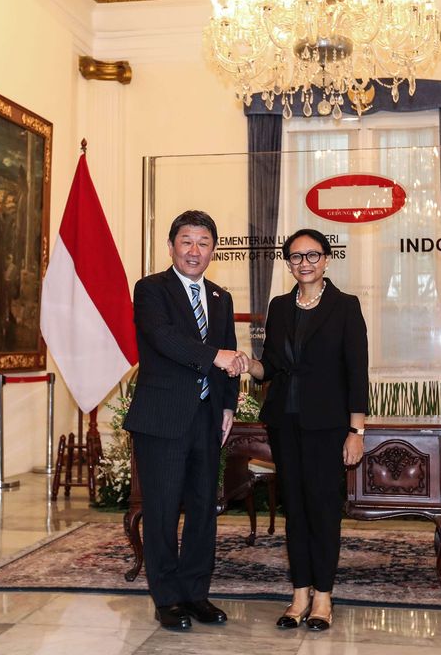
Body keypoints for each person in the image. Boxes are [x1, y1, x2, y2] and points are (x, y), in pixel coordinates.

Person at [123, 209, 245, 631]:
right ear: (172, 245)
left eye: (204, 243)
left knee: (202, 510)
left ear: (214, 250)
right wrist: (215, 356)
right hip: (161, 420)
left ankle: (196, 593)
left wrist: (228, 405)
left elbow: (230, 354)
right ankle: (167, 598)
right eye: (187, 242)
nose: (195, 251)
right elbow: (164, 338)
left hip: (208, 420)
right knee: (160, 512)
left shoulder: (220, 298)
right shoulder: (151, 290)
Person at [246, 228, 368, 632]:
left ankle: (323, 597)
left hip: (328, 426)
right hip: (286, 423)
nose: (305, 263)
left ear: (327, 259)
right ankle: (298, 594)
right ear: (289, 263)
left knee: (323, 509)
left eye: (312, 255)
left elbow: (357, 372)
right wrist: (248, 365)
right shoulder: (280, 307)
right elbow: (271, 366)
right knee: (294, 511)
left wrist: (356, 430)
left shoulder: (345, 306)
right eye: (296, 257)